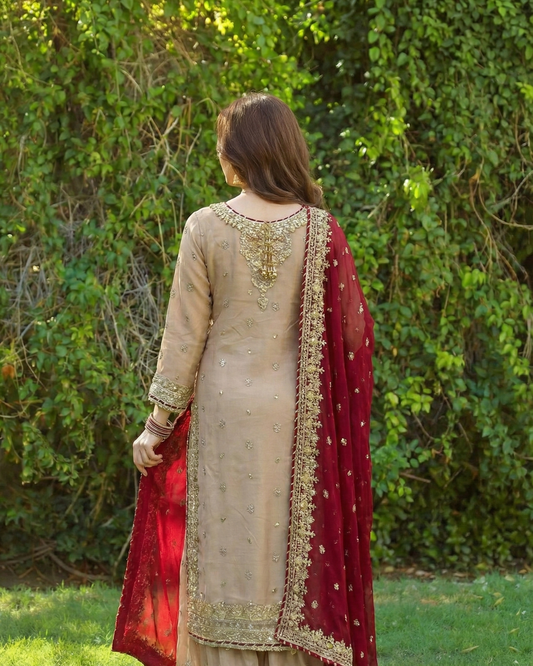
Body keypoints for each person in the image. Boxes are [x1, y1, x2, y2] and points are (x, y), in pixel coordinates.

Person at [113, 93, 377, 666]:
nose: (218, 155)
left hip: (224, 408)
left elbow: (183, 337)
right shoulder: (321, 231)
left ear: (244, 151)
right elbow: (355, 336)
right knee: (287, 547)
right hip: (297, 414)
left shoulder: (205, 226)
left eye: (222, 144)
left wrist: (157, 424)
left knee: (225, 542)